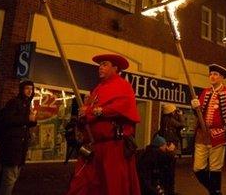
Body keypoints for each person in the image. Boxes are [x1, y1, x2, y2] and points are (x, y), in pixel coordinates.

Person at [67, 53, 141, 195]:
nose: (100, 67)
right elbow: (90, 114)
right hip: (94, 146)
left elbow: (120, 107)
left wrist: (90, 111)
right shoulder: (97, 89)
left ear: (115, 68)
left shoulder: (123, 86)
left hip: (113, 147)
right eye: (100, 65)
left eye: (104, 64)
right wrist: (83, 115)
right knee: (84, 183)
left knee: (112, 186)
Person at [191, 63, 226, 195]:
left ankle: (215, 192)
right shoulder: (205, 92)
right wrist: (195, 107)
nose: (212, 77)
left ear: (221, 77)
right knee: (197, 168)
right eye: (211, 74)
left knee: (215, 168)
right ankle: (215, 192)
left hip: (219, 134)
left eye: (215, 74)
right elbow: (199, 113)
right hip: (202, 134)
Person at [0, 80, 38, 195]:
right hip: (12, 145)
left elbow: (26, 123)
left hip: (21, 146)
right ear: (21, 89)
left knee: (10, 175)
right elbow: (8, 119)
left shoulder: (27, 104)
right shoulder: (14, 102)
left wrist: (33, 121)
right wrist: (27, 120)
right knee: (10, 177)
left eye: (31, 89)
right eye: (27, 88)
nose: (30, 91)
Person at [157, 103, 186, 195]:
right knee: (170, 168)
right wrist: (180, 115)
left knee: (165, 168)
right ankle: (170, 191)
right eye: (174, 111)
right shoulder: (170, 120)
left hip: (166, 144)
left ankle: (165, 189)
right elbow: (182, 125)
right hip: (171, 145)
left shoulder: (164, 119)